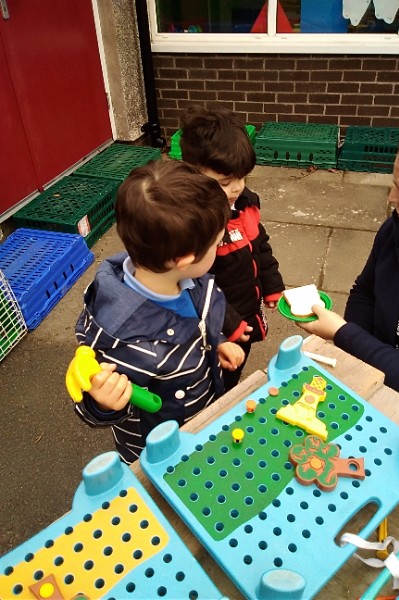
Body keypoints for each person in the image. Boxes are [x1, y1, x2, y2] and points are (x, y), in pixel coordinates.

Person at [73, 160, 245, 463]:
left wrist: (213, 344)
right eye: (217, 243)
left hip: (199, 421)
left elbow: (196, 325)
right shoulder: (125, 343)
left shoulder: (187, 279)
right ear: (184, 260)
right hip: (155, 453)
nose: (219, 248)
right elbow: (93, 405)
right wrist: (102, 404)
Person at [300, 109, 399, 422]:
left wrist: (345, 335)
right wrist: (355, 362)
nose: (391, 197)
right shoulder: (398, 230)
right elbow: (365, 291)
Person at [180, 105, 285, 391]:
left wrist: (272, 284)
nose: (237, 188)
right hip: (211, 327)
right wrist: (226, 323)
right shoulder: (193, 224)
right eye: (225, 182)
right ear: (193, 174)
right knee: (209, 380)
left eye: (242, 177)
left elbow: (260, 245)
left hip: (245, 313)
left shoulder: (246, 204)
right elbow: (191, 284)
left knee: (234, 371)